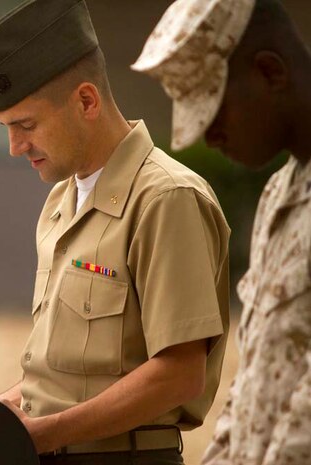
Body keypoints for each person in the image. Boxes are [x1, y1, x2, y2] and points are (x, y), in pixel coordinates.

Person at [0, 0, 231, 463]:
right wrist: (2, 410)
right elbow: (75, 373)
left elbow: (180, 374)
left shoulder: (166, 197)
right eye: (7, 128)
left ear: (86, 101)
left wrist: (43, 434)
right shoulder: (59, 203)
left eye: (26, 125)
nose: (14, 147)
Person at [132, 0, 311, 463]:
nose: (206, 137)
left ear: (270, 72)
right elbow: (253, 388)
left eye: (215, 111)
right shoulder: (280, 194)